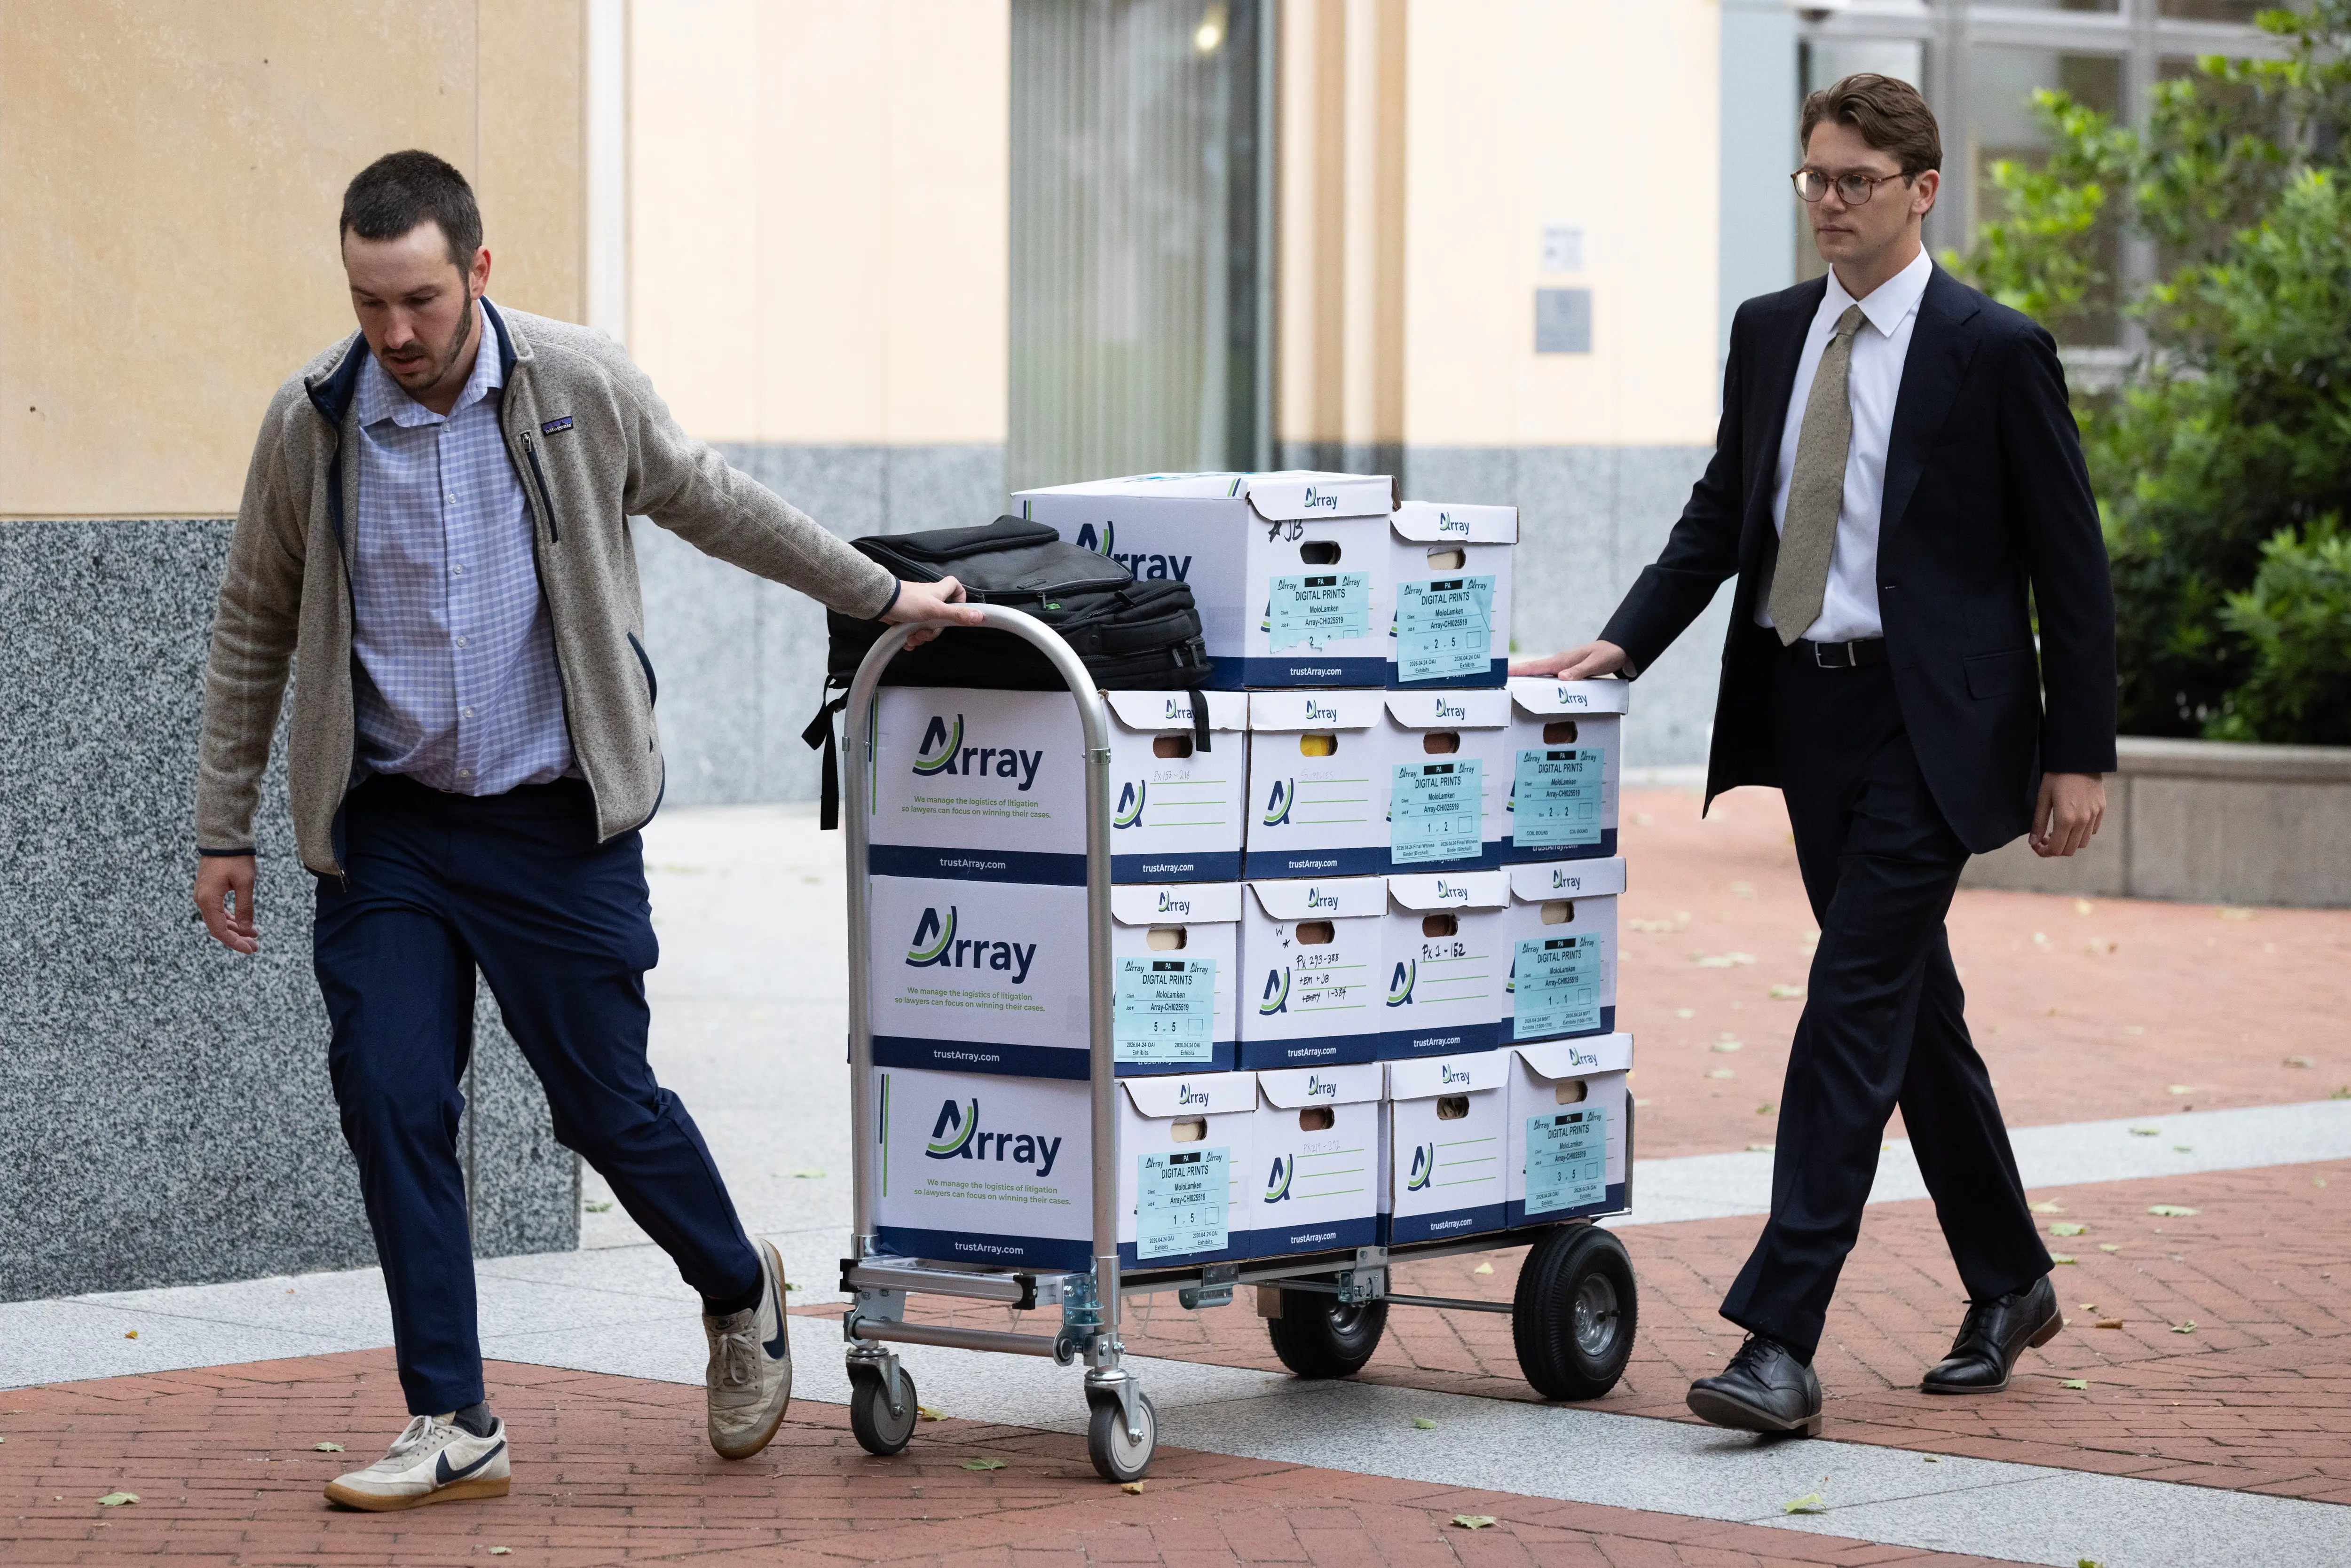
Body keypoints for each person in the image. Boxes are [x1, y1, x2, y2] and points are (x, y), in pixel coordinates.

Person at [191, 150, 981, 1509]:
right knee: (390, 1095)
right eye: (370, 302)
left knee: (604, 1106)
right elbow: (255, 617)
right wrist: (226, 824)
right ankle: (452, 1415)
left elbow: (715, 501)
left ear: (479, 272)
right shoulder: (313, 420)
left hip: (557, 821)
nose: (395, 333)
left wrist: (875, 594)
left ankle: (735, 1283)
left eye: (420, 300)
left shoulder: (577, 385)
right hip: (389, 829)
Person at [1513, 75, 2116, 1436]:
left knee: (1848, 1006)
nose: (1830, 204)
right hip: (1812, 713)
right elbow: (1727, 504)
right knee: (1909, 1013)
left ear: (1923, 190)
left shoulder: (1995, 349)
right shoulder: (1772, 330)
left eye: (1857, 181)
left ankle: (1779, 1338)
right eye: (1815, 179)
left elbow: (2070, 565)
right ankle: (2012, 1277)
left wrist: (2078, 753)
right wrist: (1625, 641)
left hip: (1938, 726)